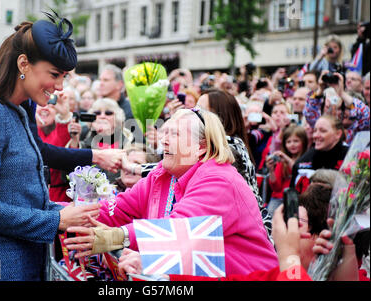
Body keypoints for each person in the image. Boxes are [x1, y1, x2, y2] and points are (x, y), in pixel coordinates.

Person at [0, 17, 109, 281]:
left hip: (25, 260)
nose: (59, 87)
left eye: (64, 77)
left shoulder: (19, 110)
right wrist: (57, 220)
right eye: (54, 74)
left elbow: (21, 198)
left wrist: (65, 213)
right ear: (23, 64)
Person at [64, 108, 278, 276]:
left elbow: (178, 231)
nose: (163, 140)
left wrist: (117, 236)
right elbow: (116, 209)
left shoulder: (219, 179)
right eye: (164, 132)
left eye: (173, 134)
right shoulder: (163, 174)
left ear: (201, 147)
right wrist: (57, 215)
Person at [118, 171, 339, 281]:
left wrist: (289, 254)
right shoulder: (273, 273)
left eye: (297, 224)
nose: (286, 230)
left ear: (321, 235)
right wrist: (156, 266)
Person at [197, 89, 273, 242]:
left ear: (219, 117)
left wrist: (137, 169)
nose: (194, 115)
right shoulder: (229, 142)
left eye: (201, 111)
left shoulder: (228, 146)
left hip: (246, 232)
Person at [291, 115, 349, 193]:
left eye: (323, 131)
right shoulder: (306, 159)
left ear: (338, 134)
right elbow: (293, 194)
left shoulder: (349, 156)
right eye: (315, 131)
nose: (316, 135)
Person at [81, 98, 133, 182]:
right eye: (97, 113)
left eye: (108, 113)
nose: (102, 116)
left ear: (117, 117)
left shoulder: (130, 139)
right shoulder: (83, 135)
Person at [266, 125, 309, 217]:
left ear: (304, 142)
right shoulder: (282, 162)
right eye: (288, 142)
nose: (292, 144)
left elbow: (298, 170)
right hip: (279, 198)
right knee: (270, 219)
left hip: (299, 198)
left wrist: (287, 159)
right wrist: (271, 170)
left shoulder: (306, 160)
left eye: (296, 141)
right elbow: (276, 187)